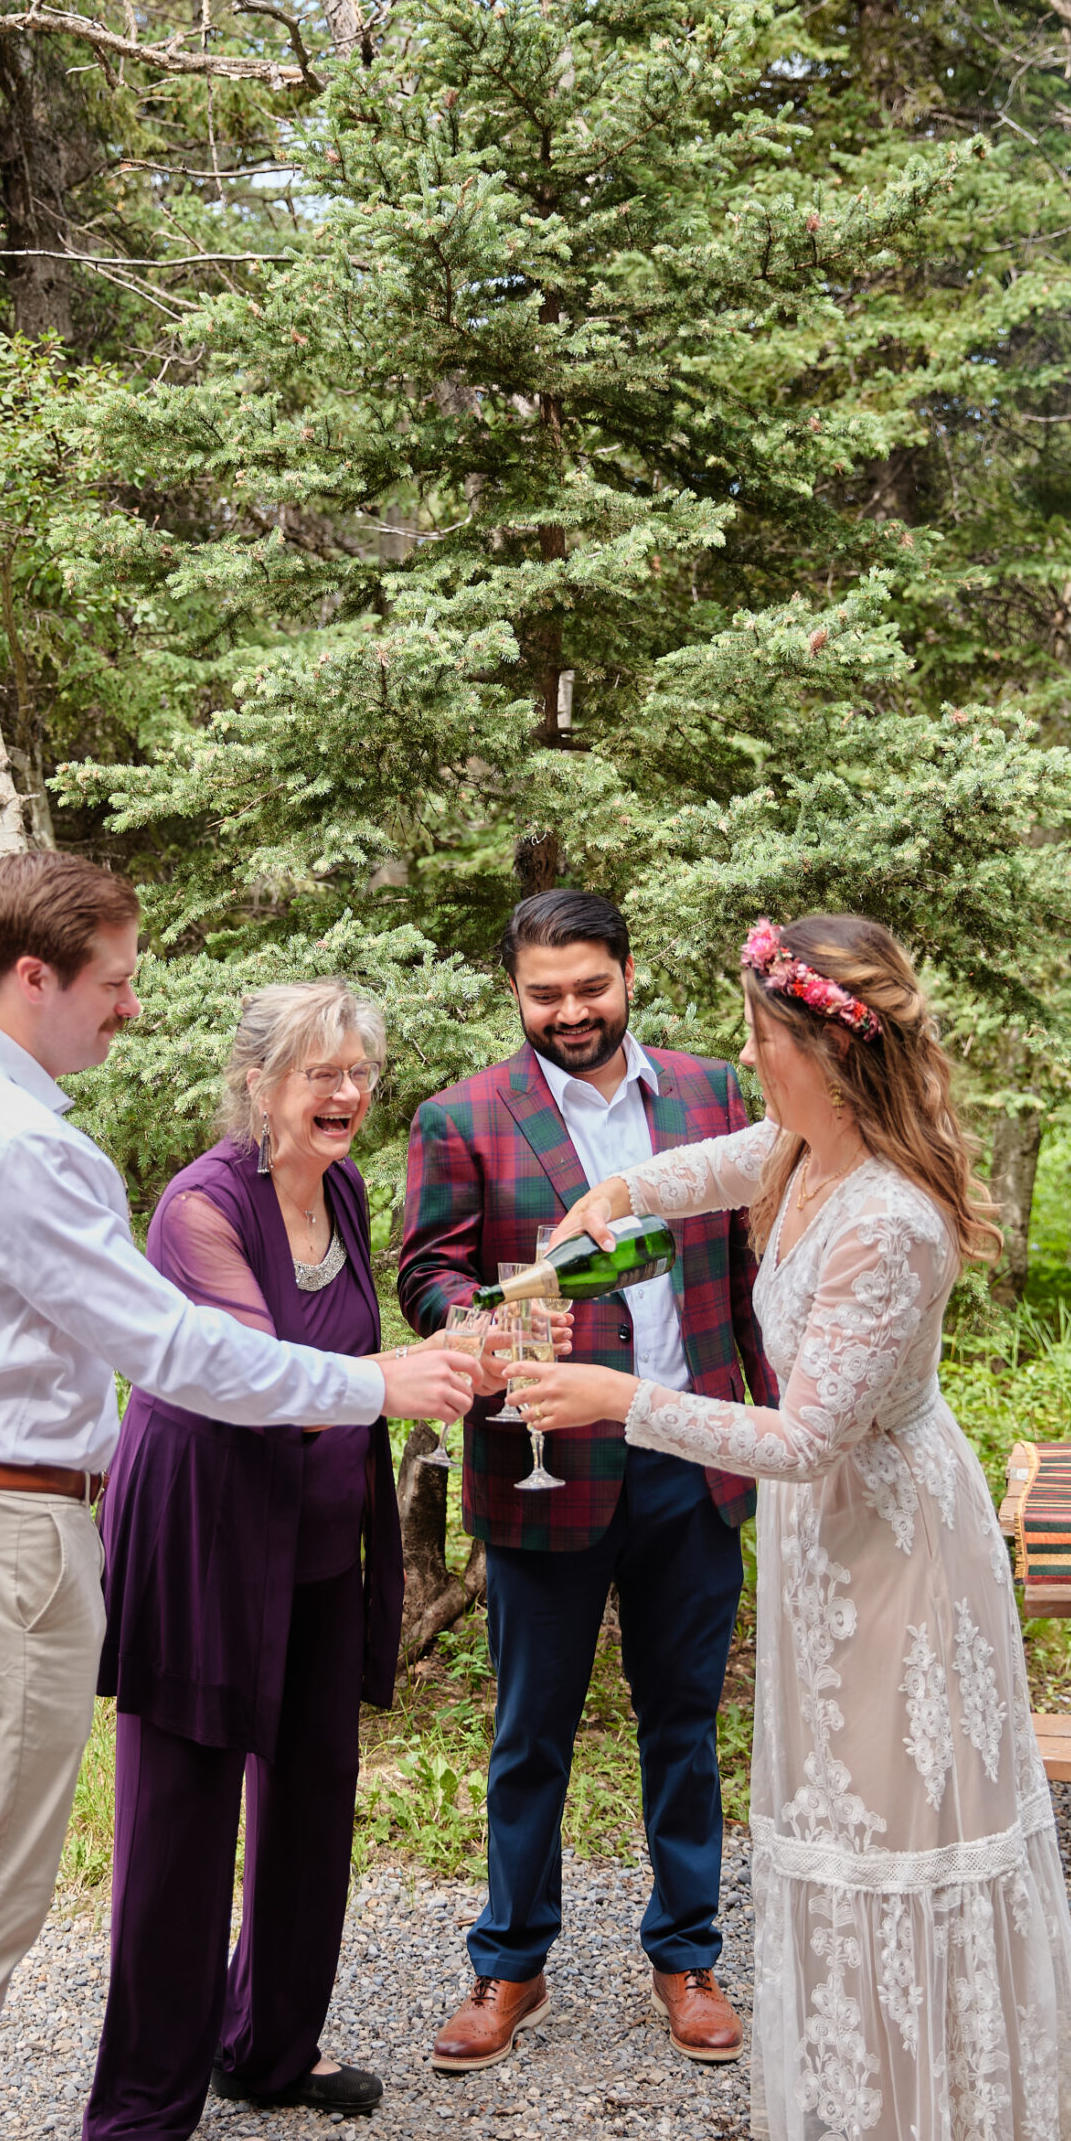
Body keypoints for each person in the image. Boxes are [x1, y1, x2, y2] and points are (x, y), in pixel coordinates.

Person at [0, 854, 475, 2141]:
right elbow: (176, 1350)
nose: (133, 1007)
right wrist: (373, 1379)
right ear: (36, 978)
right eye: (116, 980)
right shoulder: (16, 1144)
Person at [515, 913, 1071, 2141]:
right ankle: (858, 2122)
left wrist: (623, 1398)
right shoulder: (796, 1150)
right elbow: (707, 1166)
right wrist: (615, 1193)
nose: (743, 1059)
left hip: (892, 1548)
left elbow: (799, 1440)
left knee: (889, 1826)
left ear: (831, 1059)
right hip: (823, 1545)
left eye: (762, 1038)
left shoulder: (888, 1223)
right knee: (829, 1820)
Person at [399, 888, 777, 2073]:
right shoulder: (463, 1116)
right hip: (544, 1465)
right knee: (530, 1733)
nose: (570, 1011)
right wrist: (487, 1328)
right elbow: (427, 1274)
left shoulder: (718, 1094)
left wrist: (784, 1418)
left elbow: (756, 1266)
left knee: (685, 1723)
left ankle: (689, 1955)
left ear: (628, 974)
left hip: (694, 1455)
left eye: (590, 987)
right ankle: (508, 1965)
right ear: (515, 993)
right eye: (544, 993)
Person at [82, 982, 412, 2141]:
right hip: (204, 1535)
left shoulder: (348, 1195)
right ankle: (136, 2112)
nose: (345, 1095)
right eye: (321, 1073)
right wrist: (397, 1378)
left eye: (360, 1071)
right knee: (181, 1821)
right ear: (259, 1084)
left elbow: (354, 1358)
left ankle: (270, 2048)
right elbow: (251, 1370)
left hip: (319, 1538)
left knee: (317, 1789)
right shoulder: (198, 1207)